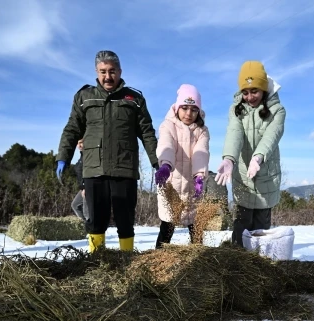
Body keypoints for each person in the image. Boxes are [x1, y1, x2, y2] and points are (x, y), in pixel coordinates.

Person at [56, 50, 158, 252]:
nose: (107, 76)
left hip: (124, 168)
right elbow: (72, 128)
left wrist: (157, 162)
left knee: (125, 220)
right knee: (95, 219)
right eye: (103, 71)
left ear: (120, 72)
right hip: (94, 168)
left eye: (112, 71)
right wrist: (63, 157)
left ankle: (127, 260)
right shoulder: (84, 97)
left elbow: (147, 132)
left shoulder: (134, 99)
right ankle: (96, 261)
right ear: (96, 71)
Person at [215, 61, 286, 246]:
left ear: (263, 88)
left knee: (261, 233)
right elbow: (234, 132)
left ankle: (261, 265)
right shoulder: (236, 110)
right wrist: (229, 158)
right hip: (243, 178)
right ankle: (236, 263)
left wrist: (258, 157)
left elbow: (272, 135)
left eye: (254, 91)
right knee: (241, 229)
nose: (249, 97)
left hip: (266, 179)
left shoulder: (277, 110)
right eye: (245, 92)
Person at [154, 84, 210, 249]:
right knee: (167, 227)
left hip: (194, 186)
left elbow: (201, 152)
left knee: (196, 227)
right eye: (184, 108)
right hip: (171, 184)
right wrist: (165, 165)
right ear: (177, 107)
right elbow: (167, 145)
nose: (188, 113)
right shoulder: (168, 126)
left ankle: (199, 258)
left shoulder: (202, 131)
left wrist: (199, 176)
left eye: (193, 109)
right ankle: (158, 259)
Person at [71, 139, 89, 221]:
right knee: (75, 205)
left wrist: (85, 187)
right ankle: (85, 227)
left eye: (81, 142)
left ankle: (92, 231)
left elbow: (88, 172)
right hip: (83, 187)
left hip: (88, 186)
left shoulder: (88, 156)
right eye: (77, 143)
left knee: (87, 212)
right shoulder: (82, 156)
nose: (79, 145)